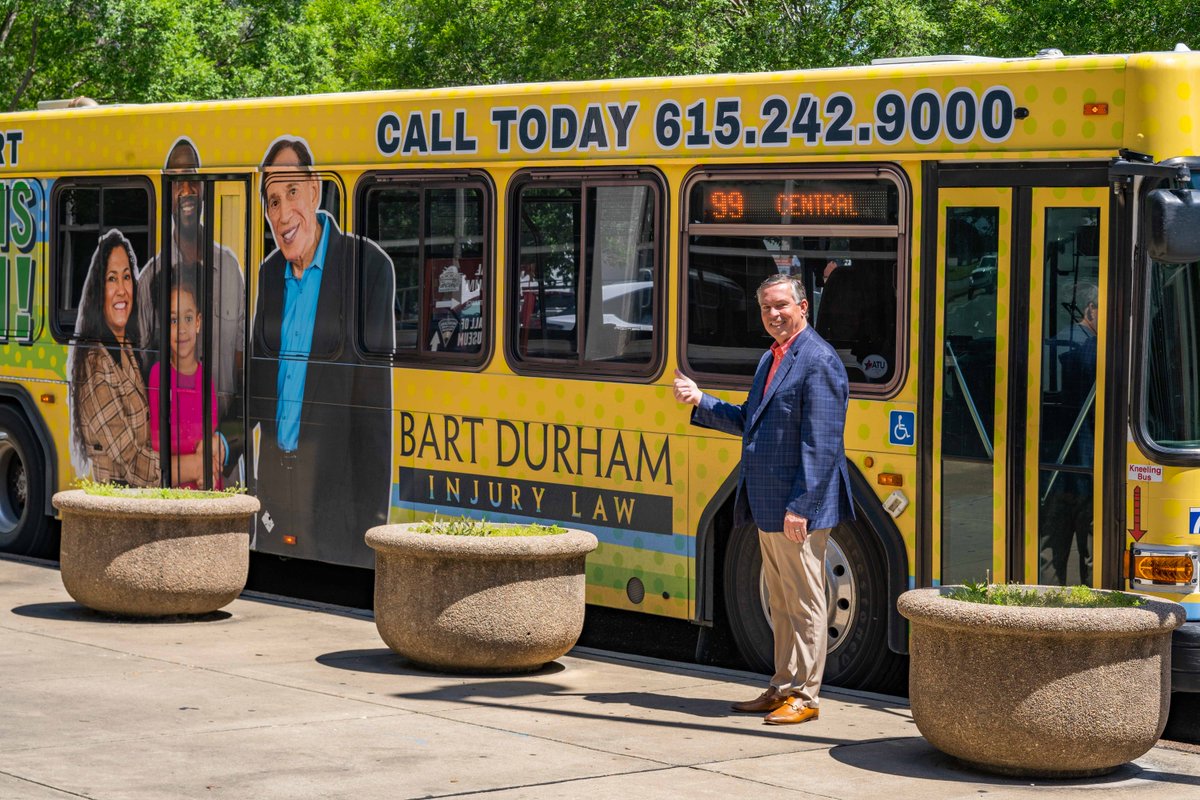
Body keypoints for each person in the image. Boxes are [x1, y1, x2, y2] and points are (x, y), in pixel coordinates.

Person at [673, 273, 854, 725]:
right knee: (781, 600)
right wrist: (701, 400)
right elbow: (750, 421)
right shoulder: (773, 357)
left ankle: (806, 697)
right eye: (766, 308)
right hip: (770, 503)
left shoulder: (819, 360)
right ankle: (782, 684)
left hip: (796, 508)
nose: (774, 314)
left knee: (807, 602)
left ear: (803, 307)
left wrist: (802, 507)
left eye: (782, 306)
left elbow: (823, 444)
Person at [250, 137, 395, 567]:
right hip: (277, 490)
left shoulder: (368, 267)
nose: (282, 214)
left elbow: (374, 416)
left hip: (337, 500)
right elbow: (260, 385)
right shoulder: (269, 272)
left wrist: (373, 528)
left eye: (291, 192)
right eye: (272, 202)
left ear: (316, 189)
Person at [68, 230, 206, 487]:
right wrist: (194, 466)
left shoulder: (124, 348)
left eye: (127, 277)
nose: (121, 289)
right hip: (118, 510)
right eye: (111, 279)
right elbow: (131, 463)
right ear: (99, 290)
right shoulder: (95, 367)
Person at [137, 138, 245, 422]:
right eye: (177, 181)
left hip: (222, 446)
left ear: (204, 188)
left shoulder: (231, 268)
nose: (186, 190)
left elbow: (240, 362)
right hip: (174, 448)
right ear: (167, 193)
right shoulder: (150, 279)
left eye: (193, 179)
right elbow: (143, 366)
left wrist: (230, 439)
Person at [1040, 281, 1098, 585]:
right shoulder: (1091, 349)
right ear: (1090, 309)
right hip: (1085, 469)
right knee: (1092, 554)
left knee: (1051, 550)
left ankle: (1044, 613)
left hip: (1053, 468)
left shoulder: (1057, 341)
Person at [148, 271, 224, 489]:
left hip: (205, 488)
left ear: (198, 323)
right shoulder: (158, 375)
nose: (181, 329)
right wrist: (200, 460)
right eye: (173, 320)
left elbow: (212, 438)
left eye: (188, 319)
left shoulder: (205, 379)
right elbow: (157, 442)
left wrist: (207, 469)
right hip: (174, 491)